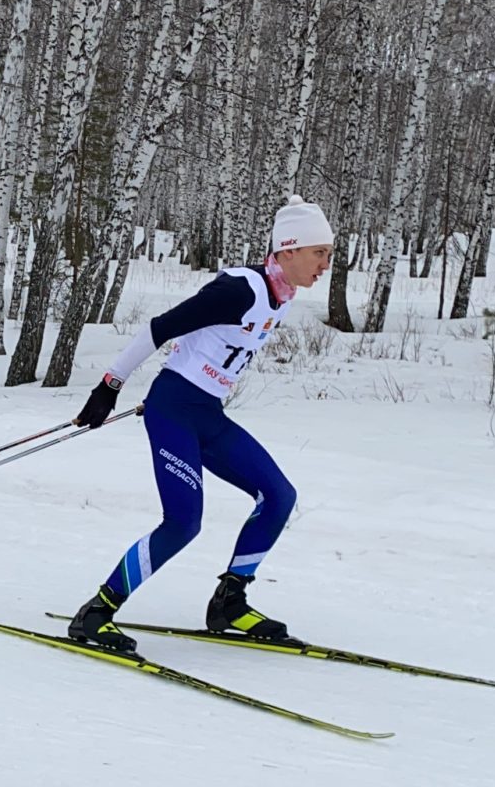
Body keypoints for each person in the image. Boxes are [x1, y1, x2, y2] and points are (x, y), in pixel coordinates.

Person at [66, 195, 336, 654]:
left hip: (208, 414)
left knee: (279, 496)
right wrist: (109, 386)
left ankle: (230, 601)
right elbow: (159, 327)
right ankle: (97, 612)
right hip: (173, 410)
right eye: (320, 253)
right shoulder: (241, 288)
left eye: (328, 254)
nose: (326, 265)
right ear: (289, 250)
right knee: (183, 522)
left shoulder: (281, 297)